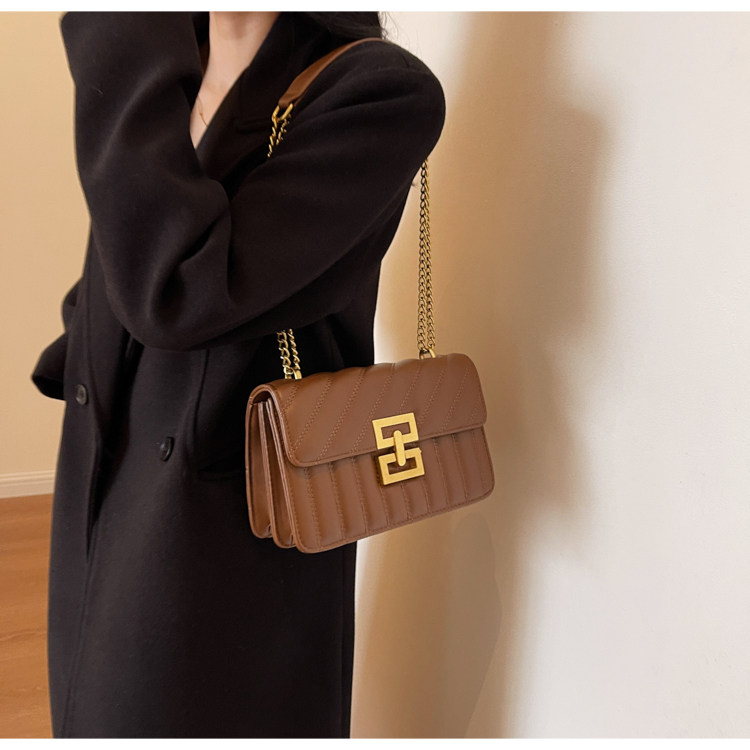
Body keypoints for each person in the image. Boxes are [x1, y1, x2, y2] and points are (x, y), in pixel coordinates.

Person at [30, 10, 446, 739]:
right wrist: (83, 342)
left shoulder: (378, 91)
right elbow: (131, 254)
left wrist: (125, 31)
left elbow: (180, 291)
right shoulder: (177, 64)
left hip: (228, 537)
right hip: (104, 488)